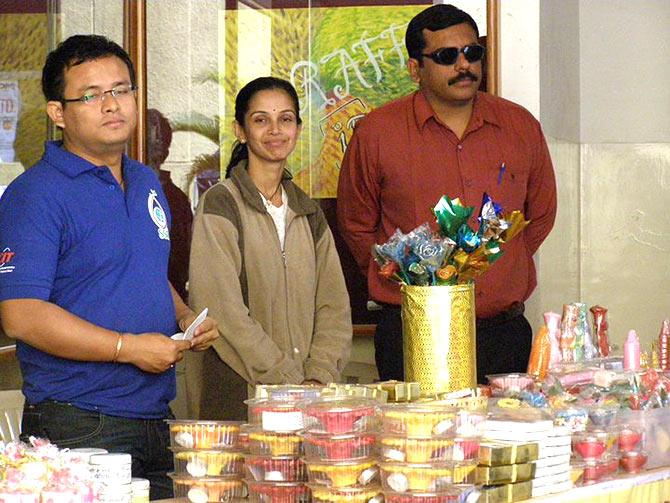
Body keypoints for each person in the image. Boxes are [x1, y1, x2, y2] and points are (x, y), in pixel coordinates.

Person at [0, 35, 218, 499]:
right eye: (91, 95)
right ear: (59, 113)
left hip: (156, 414)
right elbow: (21, 313)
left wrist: (183, 318)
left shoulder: (145, 180)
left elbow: (145, 270)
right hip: (78, 423)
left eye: (122, 90)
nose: (111, 104)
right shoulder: (35, 195)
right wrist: (127, 348)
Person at [337, 4, 557, 384]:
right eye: (446, 56)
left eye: (473, 53)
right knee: (418, 444)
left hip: (503, 334)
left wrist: (501, 266)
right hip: (414, 332)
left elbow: (539, 215)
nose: (464, 65)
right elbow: (357, 226)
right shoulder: (378, 133)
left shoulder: (519, 126)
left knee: (504, 439)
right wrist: (405, 280)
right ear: (414, 69)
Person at [187, 77, 352, 420]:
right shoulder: (220, 203)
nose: (275, 130)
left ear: (298, 128)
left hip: (309, 401)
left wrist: (317, 376)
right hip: (239, 396)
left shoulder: (308, 211)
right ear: (241, 130)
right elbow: (221, 310)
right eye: (261, 120)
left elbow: (333, 305)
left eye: (286, 119)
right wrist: (287, 380)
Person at [146, 108, 193, 301]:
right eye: (150, 141)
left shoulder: (176, 200)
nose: (154, 148)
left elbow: (183, 263)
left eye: (158, 142)